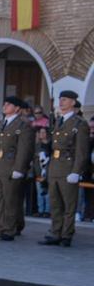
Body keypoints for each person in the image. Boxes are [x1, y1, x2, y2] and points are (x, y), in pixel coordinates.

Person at [42, 90, 91, 247]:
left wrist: (76, 171)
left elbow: (81, 151)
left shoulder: (79, 123)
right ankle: (55, 232)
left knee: (69, 205)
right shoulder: (58, 121)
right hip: (55, 167)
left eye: (64, 100)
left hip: (69, 167)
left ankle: (66, 234)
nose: (61, 102)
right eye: (60, 99)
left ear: (72, 102)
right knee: (55, 203)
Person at [0, 97, 34, 241]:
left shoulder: (22, 125)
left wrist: (19, 168)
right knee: (0, 200)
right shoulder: (3, 123)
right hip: (0, 166)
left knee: (11, 200)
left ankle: (9, 229)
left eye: (8, 104)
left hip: (11, 166)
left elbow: (24, 149)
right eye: (5, 104)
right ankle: (1, 227)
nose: (5, 106)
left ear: (17, 108)